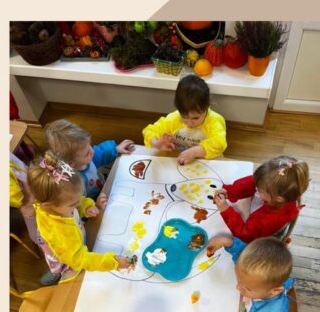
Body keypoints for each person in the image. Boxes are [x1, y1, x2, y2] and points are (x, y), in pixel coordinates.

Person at [28, 151, 132, 285]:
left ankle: (56, 269)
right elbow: (78, 260)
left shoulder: (61, 203)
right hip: (68, 259)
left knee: (71, 251)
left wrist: (86, 207)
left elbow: (79, 201)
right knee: (62, 268)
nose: (77, 204)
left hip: (74, 244)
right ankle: (56, 272)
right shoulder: (59, 232)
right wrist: (112, 262)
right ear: (48, 206)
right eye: (73, 204)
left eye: (78, 199)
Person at [189, 236, 294, 312]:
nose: (238, 287)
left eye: (248, 288)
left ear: (275, 290)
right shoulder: (262, 280)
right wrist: (229, 243)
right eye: (239, 280)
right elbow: (243, 256)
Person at [213, 156, 309, 243]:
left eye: (260, 190)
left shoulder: (268, 220)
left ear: (278, 199)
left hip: (262, 237)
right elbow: (253, 182)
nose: (256, 189)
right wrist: (231, 191)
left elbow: (245, 234)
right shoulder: (278, 187)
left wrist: (225, 210)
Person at [143, 75, 227, 164]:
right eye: (184, 117)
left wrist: (195, 152)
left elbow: (219, 143)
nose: (189, 124)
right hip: (180, 162)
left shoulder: (214, 121)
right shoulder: (173, 119)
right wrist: (157, 143)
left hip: (208, 162)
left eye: (195, 118)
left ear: (207, 106)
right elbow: (149, 131)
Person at [45, 118, 135, 200]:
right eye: (86, 153)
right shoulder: (71, 183)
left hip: (103, 188)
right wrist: (94, 206)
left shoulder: (85, 158)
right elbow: (77, 205)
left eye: (90, 146)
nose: (92, 151)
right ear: (71, 163)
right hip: (91, 203)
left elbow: (101, 153)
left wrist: (115, 149)